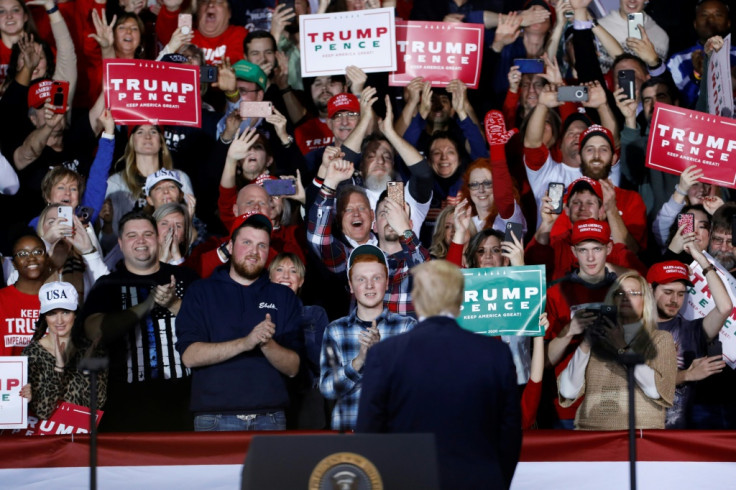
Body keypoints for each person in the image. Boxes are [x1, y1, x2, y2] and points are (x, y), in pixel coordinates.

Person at [356, 260, 521, 490]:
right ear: (460, 300)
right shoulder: (496, 354)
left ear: (416, 298)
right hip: (480, 481)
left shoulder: (385, 355)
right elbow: (510, 436)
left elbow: (369, 436)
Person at [176, 212, 302, 431]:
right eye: (247, 243)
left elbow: (293, 368)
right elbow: (189, 356)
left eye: (262, 245)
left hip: (270, 419)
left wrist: (266, 344)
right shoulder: (201, 291)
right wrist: (246, 342)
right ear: (231, 247)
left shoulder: (283, 296)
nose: (254, 252)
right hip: (214, 419)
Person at [83, 211, 199, 432]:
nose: (141, 241)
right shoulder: (108, 285)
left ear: (157, 238)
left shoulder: (186, 277)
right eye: (132, 235)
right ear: (120, 243)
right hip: (126, 406)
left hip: (185, 400)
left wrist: (174, 304)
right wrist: (145, 305)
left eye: (147, 234)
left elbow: (210, 326)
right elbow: (93, 330)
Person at [558, 271, 678, 430]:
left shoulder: (660, 339)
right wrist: (586, 343)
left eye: (634, 293)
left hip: (640, 433)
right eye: (620, 293)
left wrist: (622, 347)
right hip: (591, 432)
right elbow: (568, 392)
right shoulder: (597, 340)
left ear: (646, 300)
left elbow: (656, 390)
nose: (626, 297)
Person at [320, 244, 416, 431]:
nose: (369, 285)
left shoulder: (407, 327)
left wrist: (381, 358)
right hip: (349, 434)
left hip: (394, 434)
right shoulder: (335, 330)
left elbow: (416, 387)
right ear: (350, 286)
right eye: (361, 279)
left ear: (387, 283)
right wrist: (360, 360)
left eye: (376, 278)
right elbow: (327, 389)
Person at [647, 259, 731, 428]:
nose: (674, 300)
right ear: (650, 288)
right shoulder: (632, 330)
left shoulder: (691, 330)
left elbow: (725, 307)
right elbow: (638, 384)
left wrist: (702, 261)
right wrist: (687, 375)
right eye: (668, 291)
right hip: (642, 434)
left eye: (681, 293)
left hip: (681, 435)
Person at [23, 281, 107, 420]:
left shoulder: (93, 350)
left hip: (81, 437)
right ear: (45, 317)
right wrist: (58, 368)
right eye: (52, 313)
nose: (59, 321)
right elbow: (42, 411)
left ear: (75, 314)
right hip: (45, 439)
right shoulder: (32, 354)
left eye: (65, 312)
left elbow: (96, 405)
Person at [268, 252, 331, 429]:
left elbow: (323, 364)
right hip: (270, 399)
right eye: (279, 270)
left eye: (293, 271)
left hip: (307, 396)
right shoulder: (258, 314)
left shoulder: (315, 314)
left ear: (301, 280)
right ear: (270, 277)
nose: (286, 276)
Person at [0, 234, 52, 356]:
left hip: (49, 373)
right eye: (22, 254)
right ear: (13, 263)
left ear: (47, 258)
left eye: (38, 252)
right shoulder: (1, 299)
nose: (31, 258)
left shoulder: (57, 298)